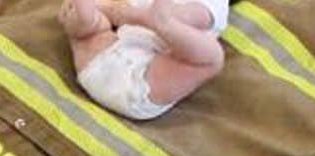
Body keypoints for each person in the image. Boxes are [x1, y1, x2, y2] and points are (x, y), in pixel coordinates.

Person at [59, 0, 228, 121]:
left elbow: (190, 18)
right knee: (90, 24)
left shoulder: (214, 4)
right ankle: (86, 19)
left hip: (143, 79)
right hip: (101, 61)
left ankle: (164, 23)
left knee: (212, 59)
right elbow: (112, 8)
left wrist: (129, 13)